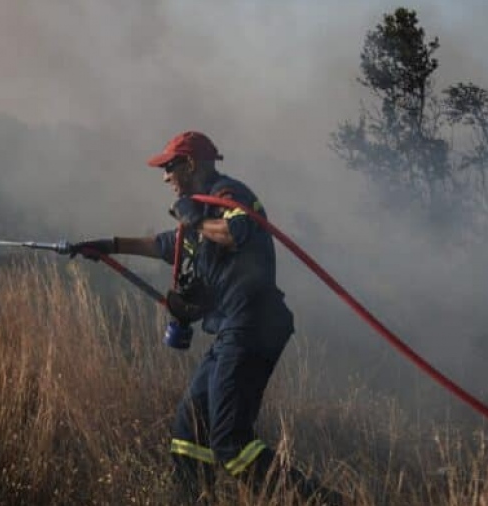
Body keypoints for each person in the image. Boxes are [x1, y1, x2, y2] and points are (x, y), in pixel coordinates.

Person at [68, 131, 345, 505]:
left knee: (231, 444)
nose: (165, 177)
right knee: (189, 433)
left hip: (253, 326)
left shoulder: (230, 195)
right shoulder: (197, 210)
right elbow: (166, 244)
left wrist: (196, 219)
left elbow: (235, 232)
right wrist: (107, 246)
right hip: (232, 330)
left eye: (169, 167)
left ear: (191, 164)